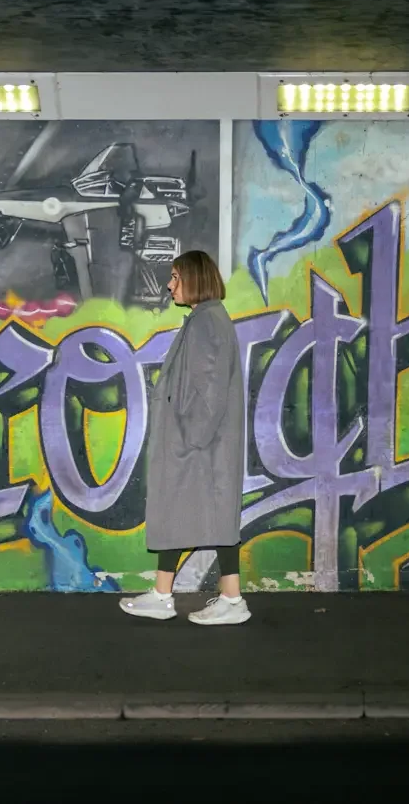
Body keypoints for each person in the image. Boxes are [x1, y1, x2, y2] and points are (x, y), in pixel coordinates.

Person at [119, 250, 249, 626]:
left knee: (194, 513)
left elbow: (208, 391)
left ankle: (181, 597)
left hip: (196, 445)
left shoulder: (206, 323)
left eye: (175, 277)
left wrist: (190, 437)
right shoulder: (207, 319)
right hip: (200, 444)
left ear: (194, 279)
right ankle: (222, 597)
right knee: (202, 515)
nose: (169, 284)